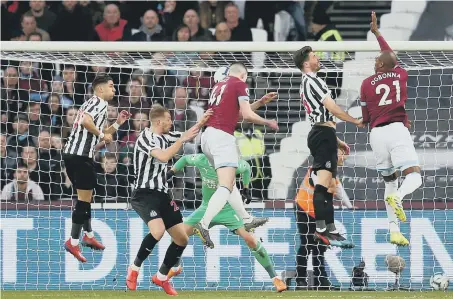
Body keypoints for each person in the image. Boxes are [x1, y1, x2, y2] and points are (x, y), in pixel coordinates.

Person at [165, 154, 287, 292]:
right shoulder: (201, 160)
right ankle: (175, 268)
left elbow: (246, 167)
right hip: (205, 208)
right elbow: (185, 159)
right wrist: (171, 172)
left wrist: (246, 188)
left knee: (250, 239)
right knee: (177, 235)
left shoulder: (230, 164)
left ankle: (275, 278)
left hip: (228, 209)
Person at [125, 105, 212, 295]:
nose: (171, 122)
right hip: (144, 194)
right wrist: (181, 139)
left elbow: (188, 134)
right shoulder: (145, 138)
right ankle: (134, 269)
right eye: (168, 119)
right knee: (158, 231)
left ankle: (162, 277)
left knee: (182, 239)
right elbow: (164, 156)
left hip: (163, 195)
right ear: (158, 121)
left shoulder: (169, 136)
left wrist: (202, 121)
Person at [194, 63, 279, 248]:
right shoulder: (239, 83)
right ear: (243, 74)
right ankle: (203, 224)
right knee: (225, 185)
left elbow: (236, 115)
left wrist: (260, 102)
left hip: (207, 137)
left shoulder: (218, 86)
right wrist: (267, 121)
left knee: (229, 183)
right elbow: (247, 116)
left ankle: (246, 218)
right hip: (222, 138)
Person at [360, 12, 422, 246]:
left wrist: (364, 120)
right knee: (414, 175)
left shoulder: (366, 84)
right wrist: (378, 34)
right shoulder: (400, 74)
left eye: (377, 60)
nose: (375, 61)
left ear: (381, 65)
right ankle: (399, 197)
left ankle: (394, 229)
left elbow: (365, 117)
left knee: (389, 181)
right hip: (396, 129)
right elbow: (391, 56)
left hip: (376, 135)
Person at [293, 46, 363, 247]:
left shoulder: (309, 82)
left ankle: (330, 229)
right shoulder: (312, 81)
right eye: (314, 56)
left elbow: (323, 116)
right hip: (322, 134)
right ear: (306, 63)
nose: (318, 58)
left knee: (330, 185)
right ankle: (321, 230)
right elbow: (332, 108)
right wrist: (355, 121)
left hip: (325, 133)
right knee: (323, 185)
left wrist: (336, 139)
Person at [62, 75, 131, 262]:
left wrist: (118, 123)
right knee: (83, 201)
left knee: (86, 197)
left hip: (74, 155)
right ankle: (73, 242)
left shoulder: (92, 103)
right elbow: (86, 121)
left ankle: (89, 235)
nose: (114, 90)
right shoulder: (98, 102)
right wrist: (101, 133)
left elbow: (103, 135)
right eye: (111, 86)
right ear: (100, 89)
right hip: (80, 156)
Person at [293, 149, 354, 289]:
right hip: (304, 208)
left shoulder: (330, 169)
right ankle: (300, 280)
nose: (344, 157)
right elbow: (326, 189)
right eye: (342, 154)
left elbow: (337, 188)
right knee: (307, 244)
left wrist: (350, 206)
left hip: (318, 213)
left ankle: (321, 281)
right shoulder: (320, 167)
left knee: (320, 247)